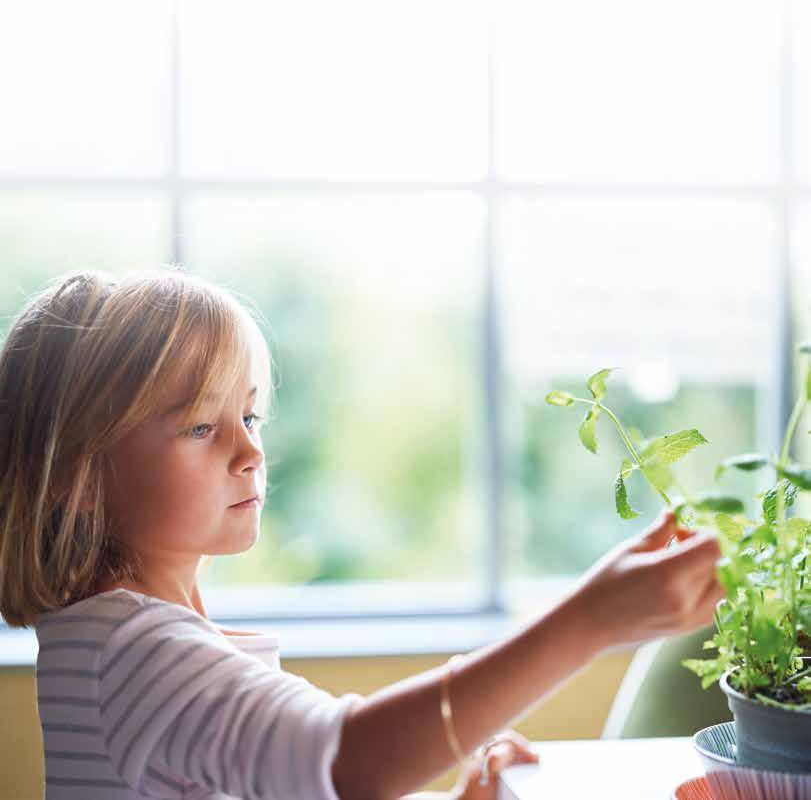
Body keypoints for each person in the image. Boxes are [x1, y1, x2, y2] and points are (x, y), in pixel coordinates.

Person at [0, 268, 723, 800]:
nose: (250, 451)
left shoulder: (128, 642)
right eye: (199, 425)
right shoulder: (133, 654)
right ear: (76, 473)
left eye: (249, 418)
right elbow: (346, 762)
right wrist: (589, 620)